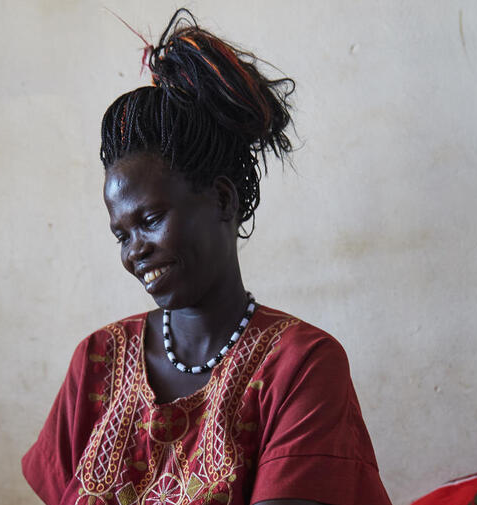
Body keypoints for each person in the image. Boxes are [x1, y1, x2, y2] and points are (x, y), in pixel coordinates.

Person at [22, 9, 392, 505]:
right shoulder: (96, 363)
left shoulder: (300, 367)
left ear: (221, 200)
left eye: (151, 220)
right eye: (121, 235)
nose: (136, 251)